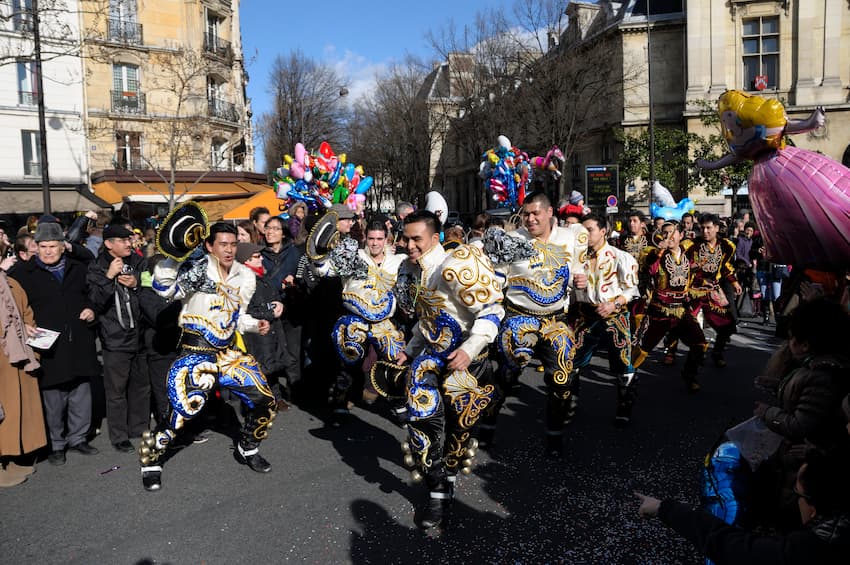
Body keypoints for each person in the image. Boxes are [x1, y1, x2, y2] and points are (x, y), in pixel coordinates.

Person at [139, 222, 275, 491]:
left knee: (265, 400)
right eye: (223, 244)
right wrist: (172, 255)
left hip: (228, 355)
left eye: (233, 244)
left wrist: (254, 325)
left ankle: (247, 447)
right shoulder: (196, 270)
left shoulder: (245, 276)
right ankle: (151, 461)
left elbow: (238, 316)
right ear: (209, 246)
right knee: (180, 413)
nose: (228, 249)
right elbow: (165, 290)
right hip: (196, 353)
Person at [394, 210, 504, 529]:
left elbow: (492, 309)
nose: (410, 245)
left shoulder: (455, 265)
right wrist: (410, 349)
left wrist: (469, 350)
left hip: (465, 363)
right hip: (429, 360)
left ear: (435, 237)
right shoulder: (415, 271)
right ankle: (437, 492)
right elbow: (427, 320)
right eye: (406, 238)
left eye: (417, 238)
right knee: (423, 426)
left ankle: (449, 476)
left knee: (458, 432)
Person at [479, 192, 588, 456]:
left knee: (562, 378)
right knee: (509, 370)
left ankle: (554, 435)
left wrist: (580, 282)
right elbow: (496, 280)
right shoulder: (512, 240)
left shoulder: (572, 238)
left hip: (555, 319)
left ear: (550, 212)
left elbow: (577, 272)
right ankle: (488, 424)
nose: (530, 219)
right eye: (526, 214)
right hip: (519, 316)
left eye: (535, 213)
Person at [634, 449, 850, 565]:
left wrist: (664, 508)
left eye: (797, 493)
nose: (795, 500)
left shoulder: (810, 550)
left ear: (813, 507)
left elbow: (732, 547)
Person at [752, 299, 850, 529]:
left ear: (805, 344)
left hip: (806, 465)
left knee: (793, 522)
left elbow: (799, 425)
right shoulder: (818, 368)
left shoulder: (821, 375)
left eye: (791, 336)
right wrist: (778, 387)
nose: (788, 342)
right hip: (807, 460)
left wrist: (768, 413)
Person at [10, 221, 100, 465]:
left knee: (81, 394)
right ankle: (56, 445)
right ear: (36, 247)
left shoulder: (77, 269)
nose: (48, 251)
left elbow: (92, 297)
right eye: (43, 246)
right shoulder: (21, 273)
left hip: (79, 339)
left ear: (63, 247)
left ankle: (78, 438)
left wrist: (91, 310)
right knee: (53, 399)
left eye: (53, 246)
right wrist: (23, 325)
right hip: (47, 345)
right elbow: (11, 306)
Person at [313, 219, 407, 426]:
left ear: (386, 239)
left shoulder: (398, 261)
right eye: (371, 238)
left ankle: (400, 405)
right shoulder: (353, 256)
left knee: (395, 362)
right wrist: (319, 251)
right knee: (348, 362)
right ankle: (340, 404)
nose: (375, 243)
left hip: (385, 322)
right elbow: (323, 269)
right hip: (355, 320)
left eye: (379, 239)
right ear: (365, 238)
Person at [571, 214, 640, 425]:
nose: (585, 235)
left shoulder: (620, 257)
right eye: (582, 231)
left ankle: (624, 405)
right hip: (586, 315)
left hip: (614, 316)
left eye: (589, 230)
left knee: (623, 363)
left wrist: (613, 304)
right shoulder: (576, 259)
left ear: (603, 231)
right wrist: (573, 284)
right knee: (572, 360)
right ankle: (570, 402)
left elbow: (632, 290)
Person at [87, 224, 148, 453]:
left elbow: (151, 286)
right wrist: (109, 276)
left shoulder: (138, 261)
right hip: (114, 338)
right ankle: (119, 435)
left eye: (129, 239)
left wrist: (137, 283)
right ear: (109, 244)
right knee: (116, 391)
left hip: (139, 333)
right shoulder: (97, 267)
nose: (128, 244)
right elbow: (95, 300)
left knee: (141, 386)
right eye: (122, 240)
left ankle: (139, 427)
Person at [632, 220, 708, 392]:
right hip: (660, 309)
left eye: (673, 232)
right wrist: (660, 249)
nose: (669, 236)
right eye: (665, 232)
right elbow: (649, 267)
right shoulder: (656, 253)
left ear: (681, 235)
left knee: (700, 343)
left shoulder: (688, 253)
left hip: (682, 309)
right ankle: (627, 376)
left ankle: (689, 375)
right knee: (642, 350)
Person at [0, 269, 46, 486]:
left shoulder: (10, 282)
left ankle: (12, 455)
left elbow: (26, 311)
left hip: (15, 354)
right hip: (4, 356)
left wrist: (27, 328)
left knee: (12, 411)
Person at [686, 213, 742, 367]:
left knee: (728, 324)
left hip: (714, 291)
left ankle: (717, 352)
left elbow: (726, 267)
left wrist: (734, 282)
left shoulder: (726, 246)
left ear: (716, 228)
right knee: (692, 329)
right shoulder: (691, 245)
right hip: (694, 290)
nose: (705, 232)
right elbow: (682, 264)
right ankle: (689, 364)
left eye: (708, 228)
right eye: (702, 228)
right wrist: (691, 268)